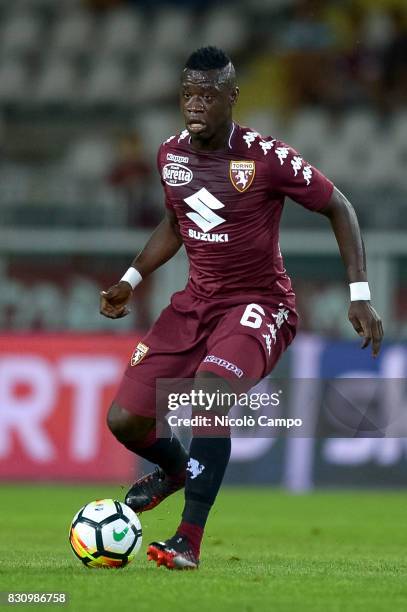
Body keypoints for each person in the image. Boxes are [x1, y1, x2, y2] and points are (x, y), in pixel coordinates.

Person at [100, 46, 383, 570]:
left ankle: (188, 538)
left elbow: (339, 206)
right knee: (125, 420)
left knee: (209, 396)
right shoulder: (170, 155)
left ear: (232, 98)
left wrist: (360, 293)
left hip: (259, 304)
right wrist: (131, 278)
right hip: (194, 304)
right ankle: (178, 469)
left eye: (208, 95)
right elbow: (175, 222)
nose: (196, 104)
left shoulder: (265, 158)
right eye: (187, 94)